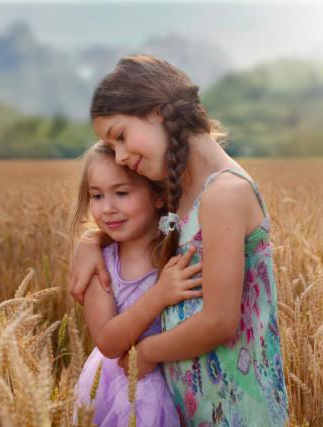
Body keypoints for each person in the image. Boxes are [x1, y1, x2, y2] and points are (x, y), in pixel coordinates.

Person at [70, 55, 288, 426]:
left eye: (120, 136)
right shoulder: (181, 191)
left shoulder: (223, 193)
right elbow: (134, 228)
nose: (121, 156)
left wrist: (146, 353)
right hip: (194, 402)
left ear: (157, 111)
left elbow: (220, 321)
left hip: (237, 407)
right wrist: (91, 241)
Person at [72, 141, 203, 426]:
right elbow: (108, 342)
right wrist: (159, 295)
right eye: (96, 196)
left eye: (121, 193)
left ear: (158, 195)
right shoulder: (101, 266)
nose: (107, 208)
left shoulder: (180, 245)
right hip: (124, 389)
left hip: (180, 382)